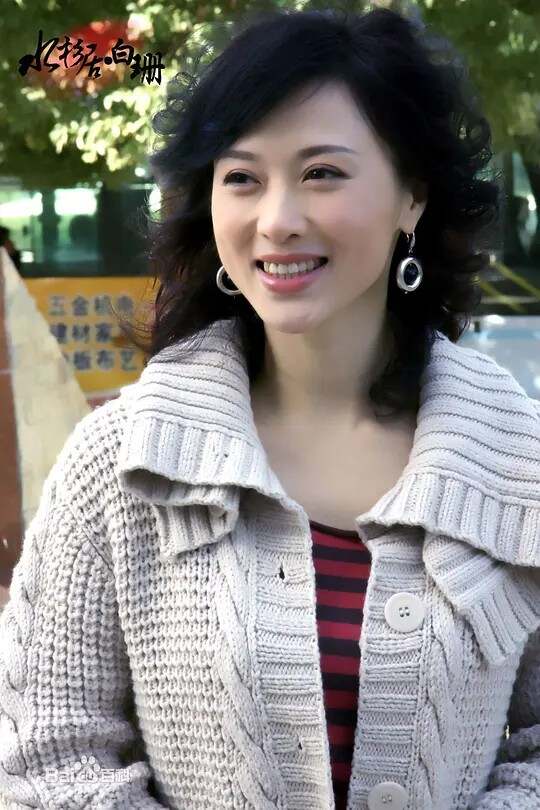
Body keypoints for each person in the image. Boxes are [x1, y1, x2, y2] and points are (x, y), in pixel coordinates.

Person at [0, 7, 539, 810]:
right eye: (243, 178)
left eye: (322, 173)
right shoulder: (120, 464)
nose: (278, 221)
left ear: (412, 197)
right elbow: (46, 758)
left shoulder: (516, 459)